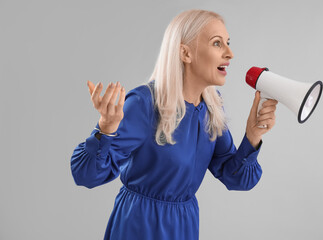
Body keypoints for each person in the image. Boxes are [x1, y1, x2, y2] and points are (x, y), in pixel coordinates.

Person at [70, 9, 278, 240]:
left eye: (227, 43)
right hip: (140, 225)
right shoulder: (144, 103)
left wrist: (252, 137)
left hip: (184, 225)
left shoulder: (212, 106)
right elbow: (86, 176)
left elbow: (235, 178)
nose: (229, 53)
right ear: (185, 53)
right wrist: (105, 129)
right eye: (217, 43)